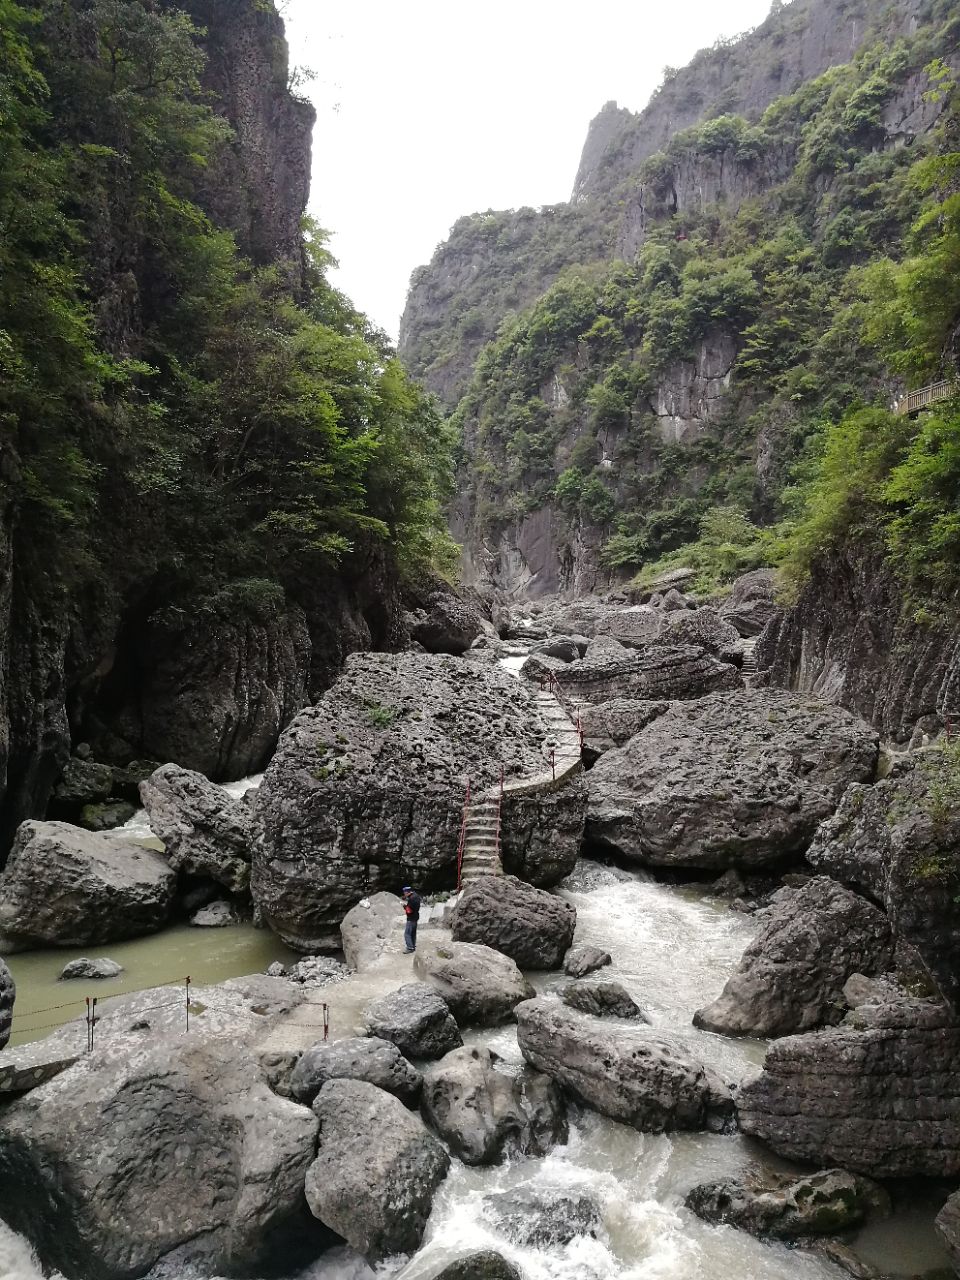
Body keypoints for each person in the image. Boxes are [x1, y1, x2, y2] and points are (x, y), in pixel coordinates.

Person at [401, 885, 421, 953]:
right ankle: (413, 945)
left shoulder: (411, 899)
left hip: (411, 918)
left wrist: (404, 906)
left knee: (407, 933)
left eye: (405, 893)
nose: (404, 894)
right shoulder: (416, 896)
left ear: (407, 892)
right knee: (413, 933)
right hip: (416, 917)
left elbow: (409, 911)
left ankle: (410, 948)